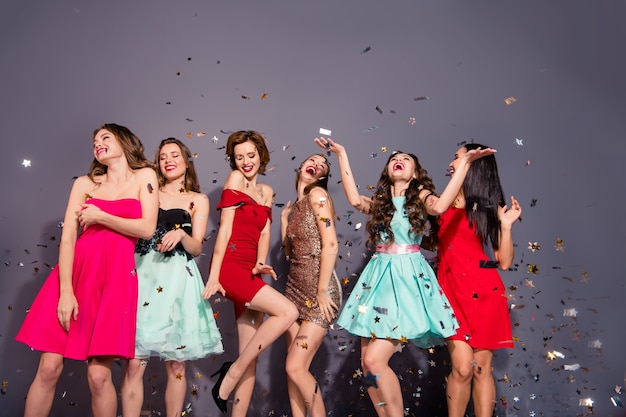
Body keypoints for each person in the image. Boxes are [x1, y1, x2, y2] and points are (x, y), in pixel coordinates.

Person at [315, 137, 494, 417]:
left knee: (374, 360)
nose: (398, 160)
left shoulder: (420, 197)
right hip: (376, 284)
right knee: (367, 366)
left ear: (415, 173)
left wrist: (466, 165)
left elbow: (440, 206)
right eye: (394, 159)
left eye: (407, 159)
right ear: (388, 170)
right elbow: (353, 199)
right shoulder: (382, 203)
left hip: (405, 283)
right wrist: (342, 154)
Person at [15, 123, 159, 417]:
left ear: (124, 141)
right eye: (95, 141)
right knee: (49, 368)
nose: (98, 143)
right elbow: (68, 237)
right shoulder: (84, 184)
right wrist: (65, 292)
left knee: (98, 377)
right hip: (75, 275)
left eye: (105, 137)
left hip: (114, 282)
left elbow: (147, 228)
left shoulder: (145, 176)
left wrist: (102, 216)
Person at [121, 138, 223, 417]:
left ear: (186, 160)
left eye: (175, 155)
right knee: (134, 363)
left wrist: (181, 234)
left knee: (177, 365)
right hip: (144, 276)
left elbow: (198, 247)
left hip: (178, 280)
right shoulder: (147, 190)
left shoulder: (197, 199)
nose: (168, 160)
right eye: (163, 156)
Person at [202, 130, 299, 415]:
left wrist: (259, 262)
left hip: (251, 269)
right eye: (239, 157)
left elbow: (265, 233)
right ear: (232, 160)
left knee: (250, 354)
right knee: (288, 312)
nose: (245, 162)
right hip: (230, 267)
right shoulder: (234, 181)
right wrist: (214, 275)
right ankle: (230, 374)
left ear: (261, 156)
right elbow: (225, 231)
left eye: (251, 155)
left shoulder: (266, 192)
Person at [435, 143, 521, 417]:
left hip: (484, 291)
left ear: (474, 163)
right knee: (462, 367)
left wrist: (506, 227)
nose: (452, 162)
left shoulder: (486, 205)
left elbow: (504, 262)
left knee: (481, 368)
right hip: (450, 290)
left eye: (458, 157)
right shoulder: (441, 200)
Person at [280, 154, 341, 417]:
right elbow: (289, 252)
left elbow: (331, 244)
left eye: (323, 163)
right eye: (311, 158)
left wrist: (321, 290)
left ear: (322, 176)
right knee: (293, 372)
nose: (315, 162)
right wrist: (284, 221)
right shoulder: (296, 206)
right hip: (294, 290)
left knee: (295, 367)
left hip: (320, 291)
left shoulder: (317, 195)